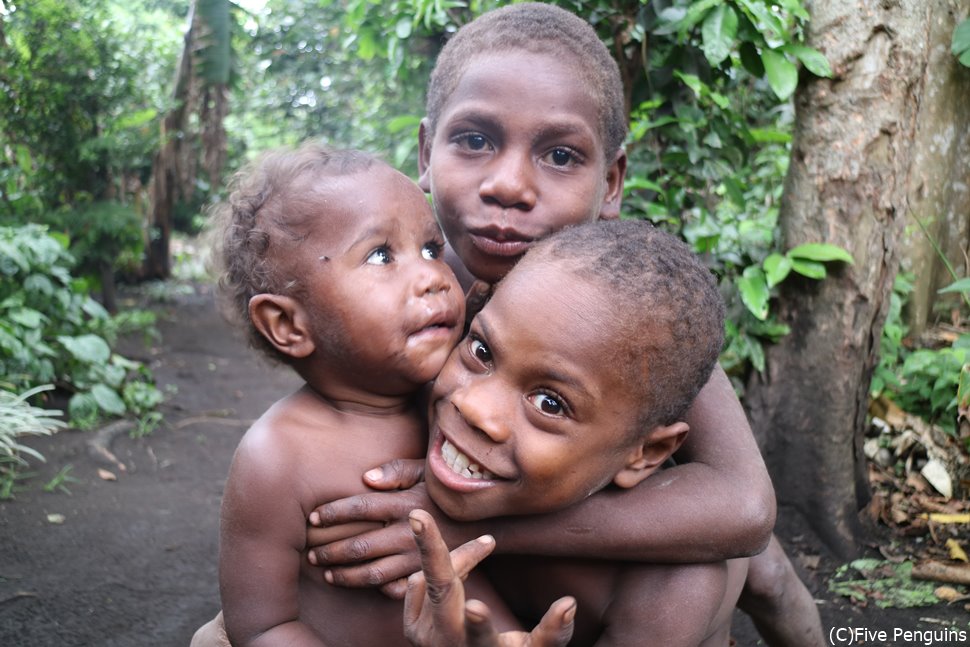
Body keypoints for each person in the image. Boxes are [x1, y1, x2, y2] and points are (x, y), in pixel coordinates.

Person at [305, 4, 824, 645]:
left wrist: (468, 527)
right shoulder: (408, 286)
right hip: (491, 507)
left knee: (755, 569)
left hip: (582, 522)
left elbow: (744, 508)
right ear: (424, 152)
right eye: (473, 141)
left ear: (610, 183)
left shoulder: (630, 310)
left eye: (558, 155)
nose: (509, 185)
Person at [406, 220, 746, 647]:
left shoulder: (669, 591)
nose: (473, 407)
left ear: (645, 454)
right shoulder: (414, 398)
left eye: (550, 403)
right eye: (481, 351)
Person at [191, 143, 476, 646]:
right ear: (287, 324)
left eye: (432, 249)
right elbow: (261, 625)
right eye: (381, 255)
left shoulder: (459, 401)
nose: (432, 276)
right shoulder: (277, 457)